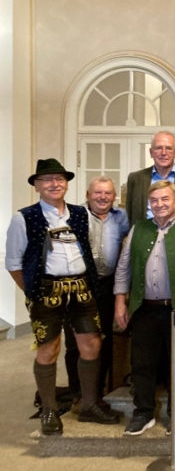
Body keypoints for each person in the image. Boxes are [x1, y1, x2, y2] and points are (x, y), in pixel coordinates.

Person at [5, 159, 120, 435]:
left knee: (92, 345)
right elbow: (13, 263)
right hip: (46, 291)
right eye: (47, 180)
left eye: (59, 179)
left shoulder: (80, 214)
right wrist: (33, 292)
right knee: (49, 348)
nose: (54, 184)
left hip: (82, 288)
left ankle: (89, 404)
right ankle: (49, 409)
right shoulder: (24, 217)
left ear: (67, 184)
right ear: (37, 185)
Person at [114, 180, 175, 436]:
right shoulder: (139, 229)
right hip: (145, 309)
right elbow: (124, 267)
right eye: (155, 200)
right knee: (142, 364)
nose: (159, 204)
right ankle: (143, 413)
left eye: (165, 199)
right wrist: (120, 301)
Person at [85, 176, 130, 398]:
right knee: (79, 341)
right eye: (98, 192)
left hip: (108, 284)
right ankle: (79, 392)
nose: (103, 197)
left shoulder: (122, 217)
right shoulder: (76, 216)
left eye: (108, 193)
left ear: (114, 197)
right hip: (81, 284)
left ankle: (99, 389)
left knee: (105, 337)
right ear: (88, 195)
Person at [125, 131, 175, 225]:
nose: (163, 153)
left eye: (168, 148)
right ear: (151, 152)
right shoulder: (135, 179)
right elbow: (130, 214)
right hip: (144, 235)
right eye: (158, 148)